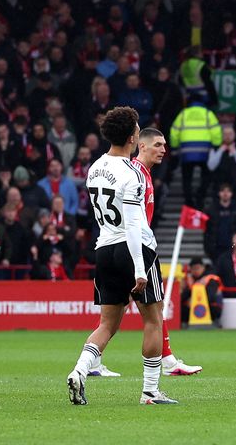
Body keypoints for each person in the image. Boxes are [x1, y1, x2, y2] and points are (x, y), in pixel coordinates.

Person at [66, 107, 177, 406]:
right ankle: (150, 392)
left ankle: (79, 370)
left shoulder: (95, 168)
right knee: (153, 320)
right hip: (133, 248)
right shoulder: (132, 174)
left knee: (107, 324)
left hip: (104, 249)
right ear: (132, 137)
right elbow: (131, 223)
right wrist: (140, 269)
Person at [133, 126, 201, 376]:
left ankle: (89, 362)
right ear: (142, 145)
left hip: (138, 246)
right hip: (137, 248)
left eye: (164, 145)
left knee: (120, 311)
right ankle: (163, 368)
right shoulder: (136, 174)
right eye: (158, 145)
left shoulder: (145, 173)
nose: (164, 150)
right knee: (153, 308)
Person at [169, 92, 222, 209]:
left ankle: (189, 201)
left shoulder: (183, 114)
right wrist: (216, 146)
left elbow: (174, 132)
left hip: (187, 152)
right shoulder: (208, 114)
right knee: (206, 176)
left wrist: (174, 148)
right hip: (205, 152)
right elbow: (216, 131)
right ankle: (200, 196)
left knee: (187, 178)